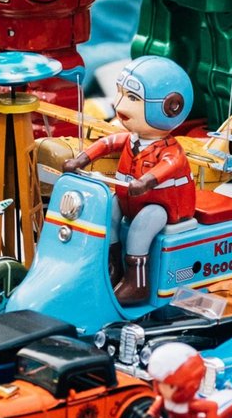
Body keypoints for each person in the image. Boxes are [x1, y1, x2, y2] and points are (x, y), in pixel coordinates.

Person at [62, 57, 196, 304]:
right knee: (108, 213)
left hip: (160, 207)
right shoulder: (131, 139)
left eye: (132, 98)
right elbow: (106, 143)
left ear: (170, 106)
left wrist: (145, 182)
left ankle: (138, 283)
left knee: (140, 228)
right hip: (128, 202)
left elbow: (170, 165)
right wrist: (80, 160)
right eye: (120, 93)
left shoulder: (170, 149)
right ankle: (112, 268)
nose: (119, 104)